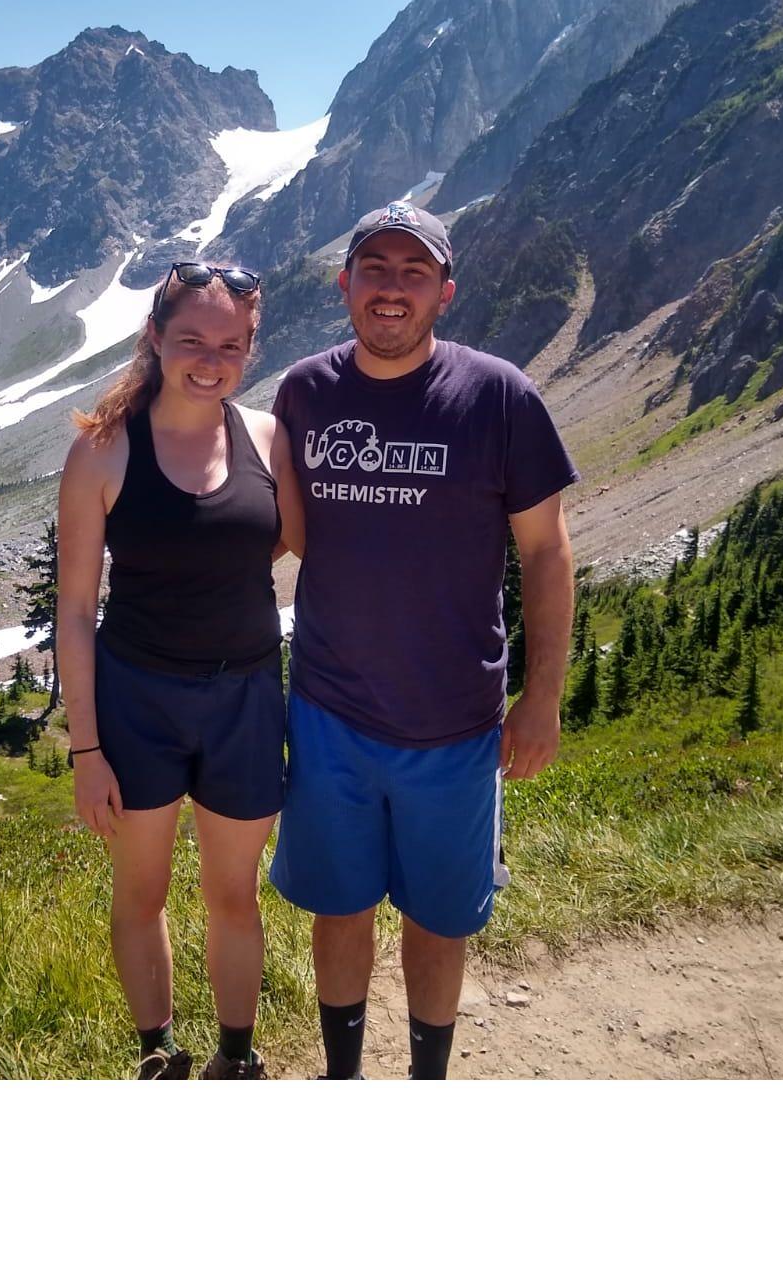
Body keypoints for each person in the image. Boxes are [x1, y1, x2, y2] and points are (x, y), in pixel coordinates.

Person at [269, 201, 578, 1079]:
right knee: (340, 907)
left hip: (456, 722)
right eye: (375, 269)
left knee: (440, 920)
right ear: (345, 285)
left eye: (414, 273)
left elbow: (548, 552)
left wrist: (543, 697)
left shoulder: (499, 395)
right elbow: (275, 527)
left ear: (446, 291)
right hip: (329, 711)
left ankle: (427, 1085)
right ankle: (342, 1078)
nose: (392, 289)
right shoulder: (304, 392)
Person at [56, 259, 305, 1079]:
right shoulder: (100, 451)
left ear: (250, 350)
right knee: (143, 892)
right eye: (192, 338)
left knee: (235, 895)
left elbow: (294, 543)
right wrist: (86, 751)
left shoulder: (267, 437)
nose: (211, 358)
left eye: (231, 344)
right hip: (137, 701)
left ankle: (238, 1058)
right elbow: (74, 612)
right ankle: (158, 1053)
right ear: (155, 338)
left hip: (243, 698)